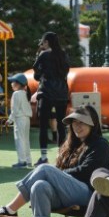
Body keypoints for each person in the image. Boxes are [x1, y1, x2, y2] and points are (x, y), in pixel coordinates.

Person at [0, 105, 109, 217]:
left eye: (82, 122)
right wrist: (58, 176)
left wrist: (58, 175)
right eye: (74, 122)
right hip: (66, 193)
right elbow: (62, 172)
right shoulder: (72, 144)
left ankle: (10, 209)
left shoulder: (101, 145)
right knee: (39, 186)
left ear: (93, 123)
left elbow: (86, 171)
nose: (77, 126)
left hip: (89, 195)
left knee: (45, 169)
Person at [33, 31, 71, 166]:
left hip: (46, 91)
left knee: (43, 125)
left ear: (47, 42)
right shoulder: (63, 55)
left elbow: (36, 74)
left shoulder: (44, 55)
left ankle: (43, 157)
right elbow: (66, 71)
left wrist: (39, 54)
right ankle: (62, 156)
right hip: (61, 92)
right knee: (61, 125)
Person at [7, 73, 33, 168]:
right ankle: (28, 159)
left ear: (18, 84)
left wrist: (9, 120)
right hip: (26, 119)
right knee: (26, 140)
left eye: (13, 82)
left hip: (20, 119)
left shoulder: (16, 94)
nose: (11, 84)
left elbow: (15, 109)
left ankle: (22, 161)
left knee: (19, 140)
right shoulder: (25, 93)